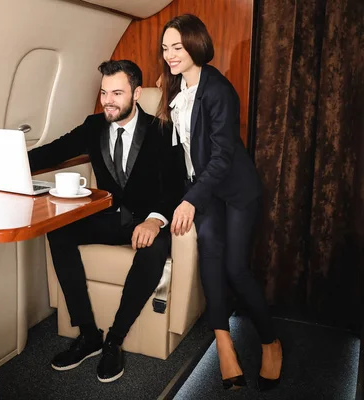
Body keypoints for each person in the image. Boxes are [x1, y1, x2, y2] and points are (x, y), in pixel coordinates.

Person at [28, 60, 184, 383]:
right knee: (57, 229)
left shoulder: (163, 131)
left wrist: (155, 222)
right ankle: (88, 335)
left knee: (154, 251)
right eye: (103, 92)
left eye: (116, 93)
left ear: (137, 93)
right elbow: (53, 152)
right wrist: (10, 160)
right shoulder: (93, 125)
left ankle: (114, 340)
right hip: (109, 218)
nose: (108, 100)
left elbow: (174, 187)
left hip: (147, 221)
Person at [158, 14, 283, 391]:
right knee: (210, 259)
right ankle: (224, 343)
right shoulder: (174, 86)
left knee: (235, 270)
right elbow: (181, 153)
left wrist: (189, 201)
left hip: (236, 191)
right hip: (205, 192)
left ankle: (269, 341)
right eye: (165, 48)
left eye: (177, 47)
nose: (169, 55)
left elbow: (222, 156)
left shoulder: (219, 91)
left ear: (196, 44)